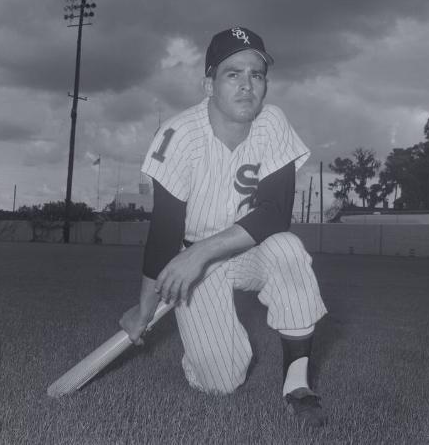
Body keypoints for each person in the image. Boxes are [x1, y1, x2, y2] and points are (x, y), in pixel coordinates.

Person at [120, 26, 328, 427]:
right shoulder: (178, 136)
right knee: (220, 381)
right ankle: (210, 341)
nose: (247, 85)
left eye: (257, 74)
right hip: (192, 262)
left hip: (246, 249)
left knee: (287, 248)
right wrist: (145, 308)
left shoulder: (272, 123)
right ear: (209, 83)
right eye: (233, 73)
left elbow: (274, 213)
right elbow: (164, 230)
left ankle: (298, 385)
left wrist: (200, 253)